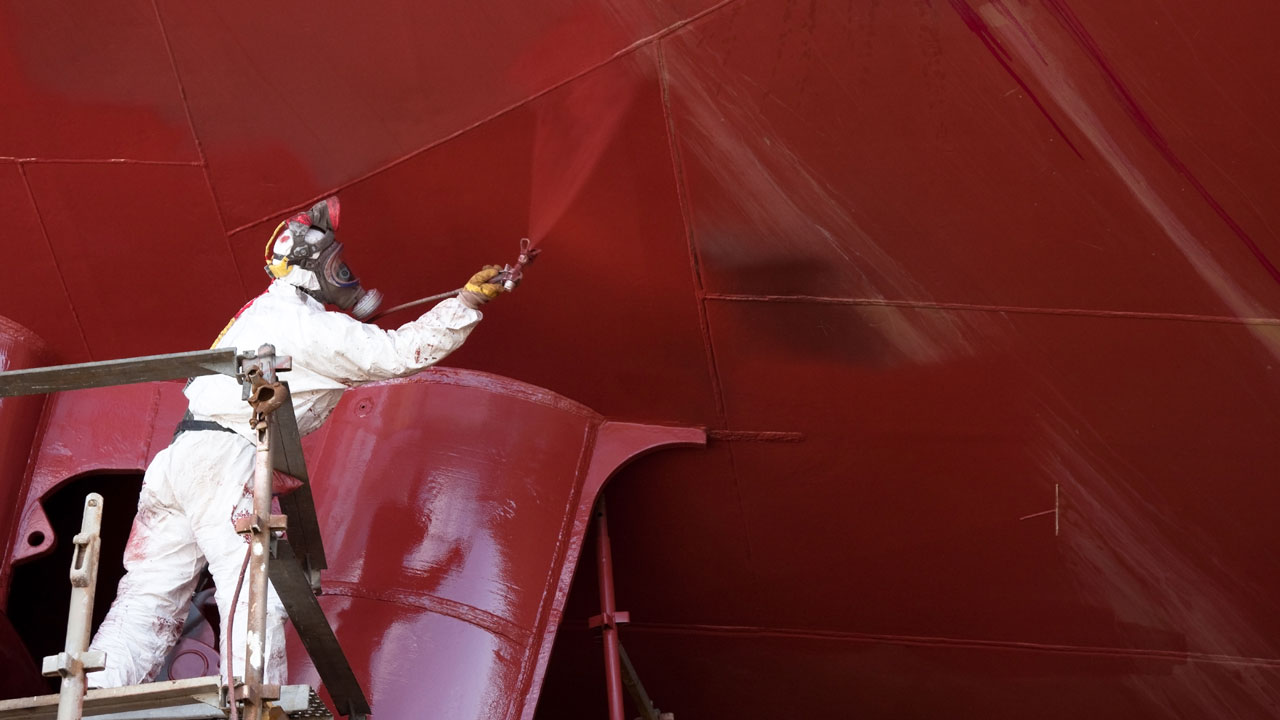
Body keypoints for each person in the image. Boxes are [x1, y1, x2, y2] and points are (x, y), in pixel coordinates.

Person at [88, 197, 506, 687]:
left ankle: (93, 692)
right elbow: (398, 354)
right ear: (315, 265)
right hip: (228, 460)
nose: (344, 274)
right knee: (251, 584)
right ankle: (253, 702)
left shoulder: (259, 311)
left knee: (148, 594)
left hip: (178, 459)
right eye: (337, 262)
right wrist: (466, 305)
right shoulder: (308, 326)